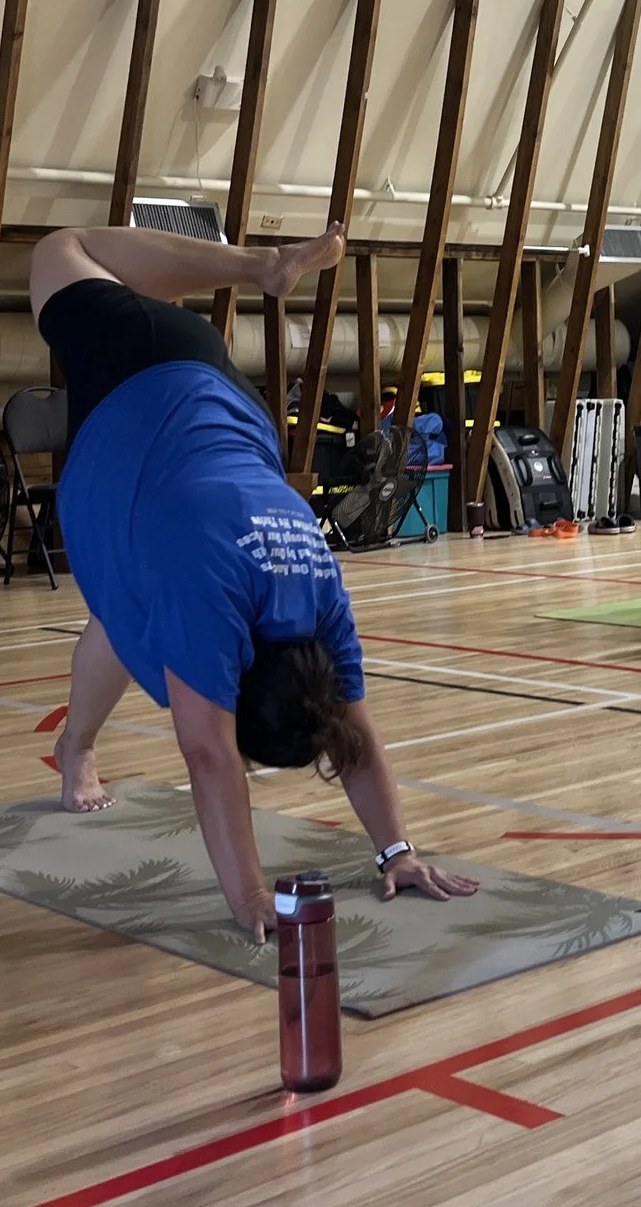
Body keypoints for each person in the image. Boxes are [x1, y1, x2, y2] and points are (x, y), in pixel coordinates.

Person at [28, 222, 477, 941]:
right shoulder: (209, 604)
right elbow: (209, 754)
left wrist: (399, 850)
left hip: (218, 395)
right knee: (60, 248)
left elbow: (352, 731)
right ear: (234, 669)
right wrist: (247, 898)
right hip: (135, 377)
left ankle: (75, 748)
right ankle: (260, 265)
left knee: (124, 614)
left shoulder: (321, 603)